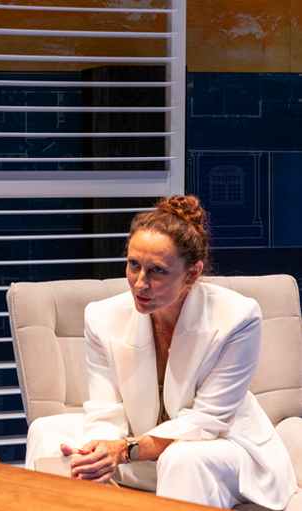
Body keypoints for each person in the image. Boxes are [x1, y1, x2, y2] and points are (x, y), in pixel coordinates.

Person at [24, 195, 297, 509]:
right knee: (48, 430)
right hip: (142, 451)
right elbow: (105, 413)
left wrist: (123, 451)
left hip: (222, 451)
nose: (140, 283)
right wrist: (99, 453)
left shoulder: (238, 317)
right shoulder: (101, 316)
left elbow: (206, 423)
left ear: (192, 274)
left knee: (182, 458)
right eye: (133, 265)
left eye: (158, 271)